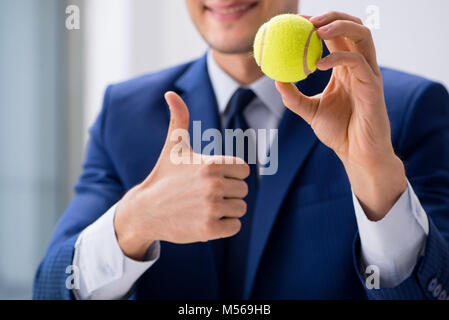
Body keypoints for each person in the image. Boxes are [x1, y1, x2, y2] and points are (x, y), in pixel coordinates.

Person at [34, 0, 449, 300]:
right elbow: (52, 288)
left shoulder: (405, 108)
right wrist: (133, 223)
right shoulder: (123, 113)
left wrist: (376, 176)